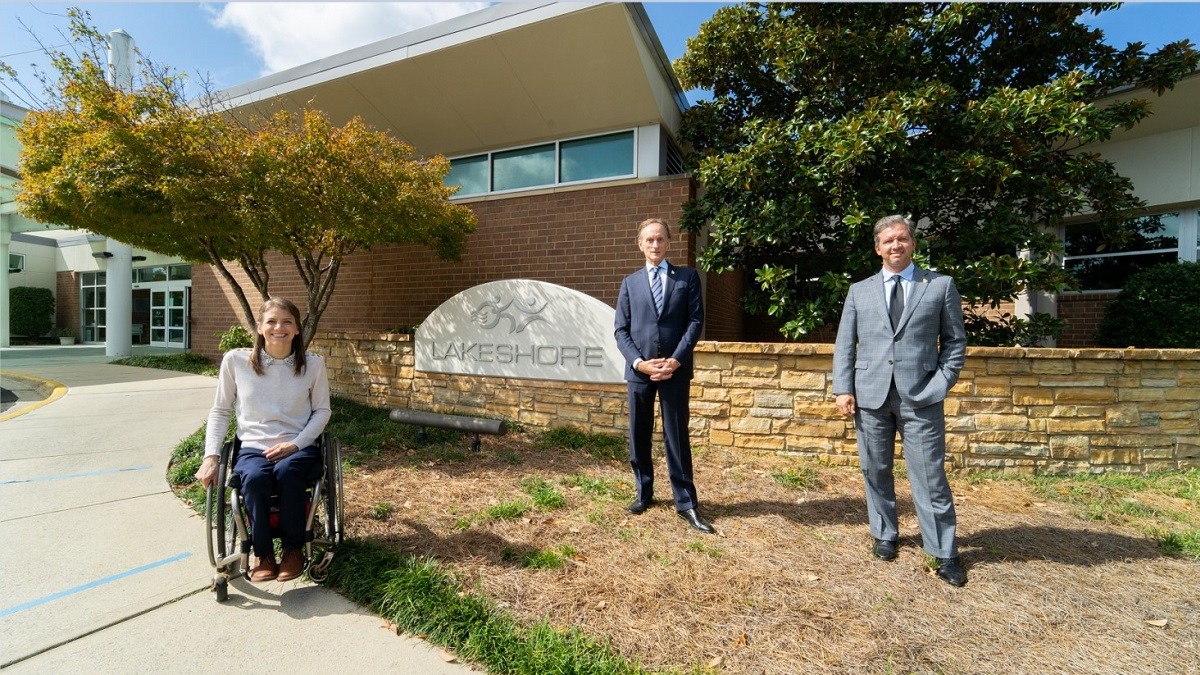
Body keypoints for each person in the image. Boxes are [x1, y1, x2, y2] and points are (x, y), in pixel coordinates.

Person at [832, 214, 968, 586]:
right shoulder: (859, 291)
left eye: (902, 238)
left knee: (930, 475)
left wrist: (940, 384)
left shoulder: (939, 286)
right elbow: (845, 344)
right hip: (870, 396)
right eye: (888, 240)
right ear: (878, 248)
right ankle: (884, 534)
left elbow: (955, 342)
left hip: (921, 396)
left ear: (913, 244)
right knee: (875, 469)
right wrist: (843, 388)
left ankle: (943, 552)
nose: (896, 245)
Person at [195, 297, 332, 583]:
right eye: (271, 321)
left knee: (288, 471)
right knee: (255, 479)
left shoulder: (313, 365)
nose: (278, 328)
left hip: (298, 446)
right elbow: (220, 411)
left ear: (297, 329)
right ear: (259, 327)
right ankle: (264, 554)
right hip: (253, 447)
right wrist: (211, 456)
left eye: (287, 322)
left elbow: (322, 411)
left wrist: (296, 444)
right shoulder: (236, 361)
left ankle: (294, 550)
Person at [614, 217, 714, 534]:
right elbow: (620, 330)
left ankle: (686, 503)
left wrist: (676, 360)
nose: (655, 244)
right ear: (640, 245)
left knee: (677, 437)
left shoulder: (687, 278)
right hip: (640, 373)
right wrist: (639, 363)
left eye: (660, 239)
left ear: (668, 243)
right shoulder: (630, 283)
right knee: (639, 434)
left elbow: (695, 322)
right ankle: (643, 494)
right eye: (649, 240)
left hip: (675, 371)